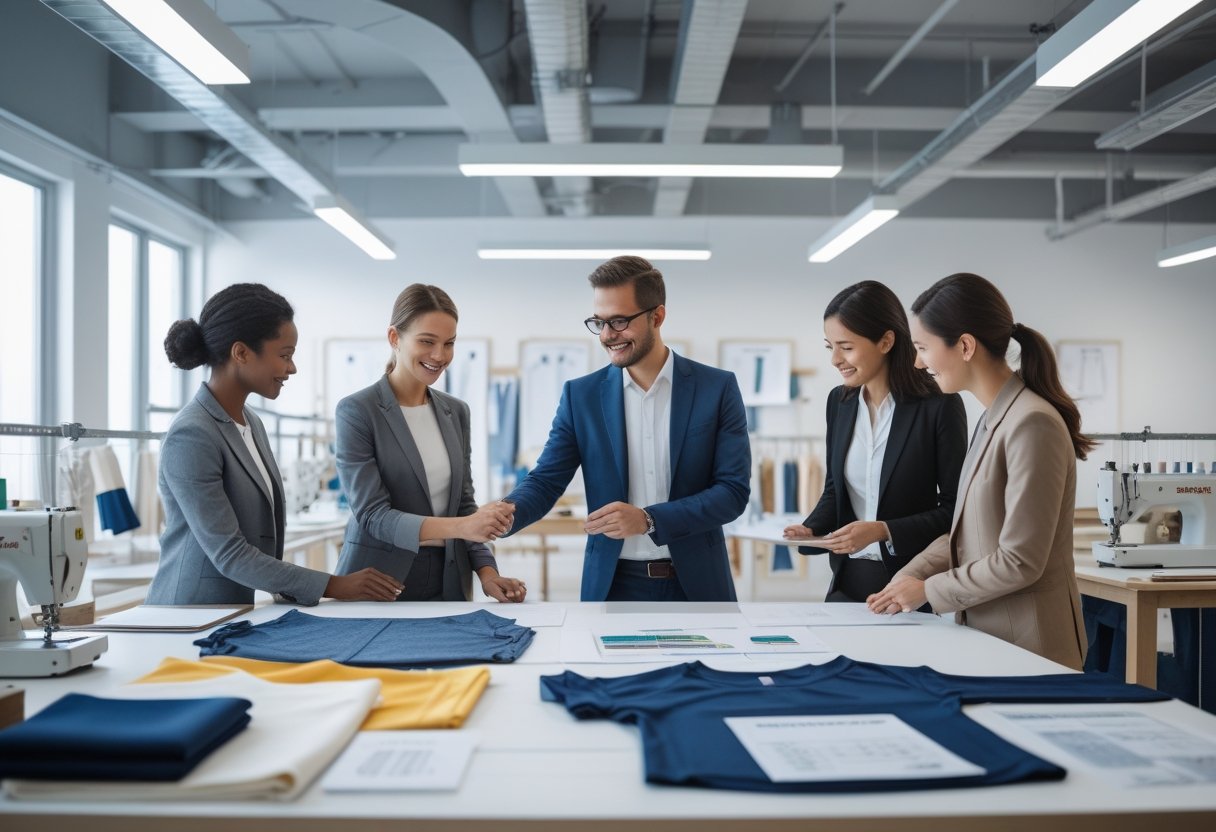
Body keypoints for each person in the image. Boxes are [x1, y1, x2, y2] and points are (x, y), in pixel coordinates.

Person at [866, 272, 1093, 670]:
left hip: (1032, 646)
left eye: (923, 348)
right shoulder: (993, 419)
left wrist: (927, 590)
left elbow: (1020, 560)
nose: (917, 363)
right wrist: (908, 576)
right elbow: (967, 534)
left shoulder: (1031, 422)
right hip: (993, 638)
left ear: (965, 346)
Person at [503, 255, 750, 602]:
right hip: (612, 586)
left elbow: (732, 492)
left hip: (697, 585)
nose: (607, 335)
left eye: (619, 321)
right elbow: (546, 480)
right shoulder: (581, 396)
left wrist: (649, 520)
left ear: (657, 316)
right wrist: (501, 515)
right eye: (598, 322)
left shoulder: (717, 388)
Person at [148, 283, 402, 606]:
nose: (291, 368)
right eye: (284, 356)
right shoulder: (192, 434)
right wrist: (335, 585)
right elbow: (229, 553)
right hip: (190, 614)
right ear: (241, 353)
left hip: (235, 611)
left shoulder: (251, 423)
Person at [334, 284, 526, 603]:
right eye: (427, 341)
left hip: (448, 581)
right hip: (376, 583)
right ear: (394, 338)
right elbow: (373, 516)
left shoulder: (456, 412)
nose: (439, 355)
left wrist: (488, 573)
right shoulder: (357, 411)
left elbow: (463, 505)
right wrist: (463, 526)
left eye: (449, 343)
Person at [783, 281, 967, 602]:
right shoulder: (839, 403)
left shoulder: (938, 404)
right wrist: (811, 529)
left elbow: (956, 510)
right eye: (830, 347)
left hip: (908, 583)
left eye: (846, 347)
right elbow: (835, 489)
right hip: (847, 578)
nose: (835, 359)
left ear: (886, 341)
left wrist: (884, 530)